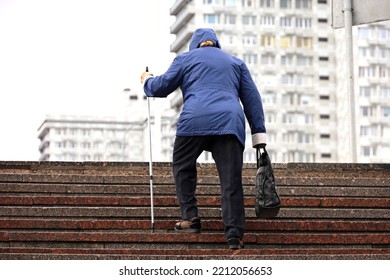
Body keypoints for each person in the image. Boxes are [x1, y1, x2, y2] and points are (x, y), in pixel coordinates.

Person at [140, 28, 266, 250]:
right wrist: (259, 135)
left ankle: (190, 218)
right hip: (229, 121)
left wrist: (147, 81)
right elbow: (252, 99)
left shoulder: (185, 59)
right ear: (216, 43)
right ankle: (234, 234)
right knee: (231, 180)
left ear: (194, 44)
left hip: (194, 119)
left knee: (182, 165)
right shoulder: (235, 63)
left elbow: (160, 88)